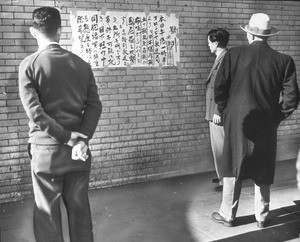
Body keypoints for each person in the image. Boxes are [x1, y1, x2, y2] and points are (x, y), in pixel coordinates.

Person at [18, 7, 102, 242]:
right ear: (60, 30)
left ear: (34, 32)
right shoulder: (82, 64)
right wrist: (81, 139)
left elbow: (36, 114)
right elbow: (95, 106)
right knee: (80, 211)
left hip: (46, 153)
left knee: (47, 215)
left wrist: (66, 136)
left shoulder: (29, 65)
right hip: (79, 152)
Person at [211, 13, 300, 228]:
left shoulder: (233, 55)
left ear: (249, 34)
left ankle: (228, 215)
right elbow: (292, 99)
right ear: (268, 36)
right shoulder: (284, 61)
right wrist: (275, 117)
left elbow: (219, 89)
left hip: (236, 122)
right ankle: (262, 216)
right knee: (263, 166)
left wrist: (226, 112)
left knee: (233, 166)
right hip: (266, 123)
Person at [205, 28, 230, 192]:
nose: (208, 46)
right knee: (218, 148)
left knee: (220, 148)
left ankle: (225, 181)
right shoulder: (221, 58)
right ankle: (222, 176)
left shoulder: (225, 59)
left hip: (217, 113)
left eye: (209, 42)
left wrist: (218, 112)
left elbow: (225, 89)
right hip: (214, 111)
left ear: (215, 42)